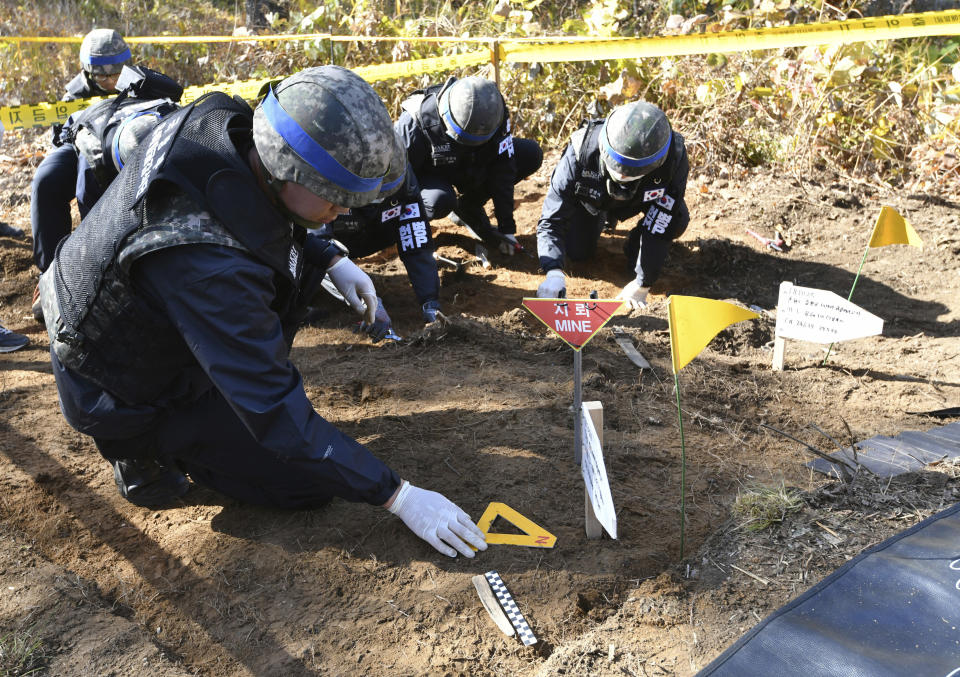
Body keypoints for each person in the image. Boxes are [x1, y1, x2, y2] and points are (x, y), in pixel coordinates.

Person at [37, 65, 487, 560]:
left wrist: (328, 256)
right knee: (306, 485)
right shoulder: (208, 266)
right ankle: (140, 451)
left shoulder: (230, 123)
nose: (342, 212)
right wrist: (398, 496)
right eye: (335, 200)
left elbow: (255, 209)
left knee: (288, 285)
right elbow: (274, 410)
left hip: (137, 309)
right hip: (114, 383)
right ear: (286, 168)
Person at [535, 101, 690, 308]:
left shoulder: (674, 158)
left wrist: (643, 283)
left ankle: (633, 246)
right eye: (618, 166)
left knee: (678, 219)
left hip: (642, 199)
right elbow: (552, 217)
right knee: (577, 252)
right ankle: (601, 220)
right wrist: (553, 270)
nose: (623, 173)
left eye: (630, 170)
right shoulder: (581, 149)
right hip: (592, 199)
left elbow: (662, 221)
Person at [395, 75, 542, 256]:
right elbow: (398, 184)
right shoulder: (415, 122)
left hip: (471, 165)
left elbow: (503, 169)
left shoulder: (494, 111)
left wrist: (507, 228)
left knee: (530, 154)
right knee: (439, 201)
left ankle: (468, 208)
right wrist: (418, 239)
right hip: (432, 175)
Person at [30, 28, 133, 275]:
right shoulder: (74, 94)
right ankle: (51, 273)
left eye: (115, 72)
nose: (110, 80)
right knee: (46, 180)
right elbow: (59, 136)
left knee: (88, 179)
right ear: (88, 70)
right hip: (77, 145)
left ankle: (103, 268)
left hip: (119, 148)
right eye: (102, 75)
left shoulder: (140, 83)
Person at [314, 136, 443, 331]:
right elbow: (315, 242)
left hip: (370, 235)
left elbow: (415, 236)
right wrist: (364, 299)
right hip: (331, 239)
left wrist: (430, 301)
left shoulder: (402, 177)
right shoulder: (323, 176)